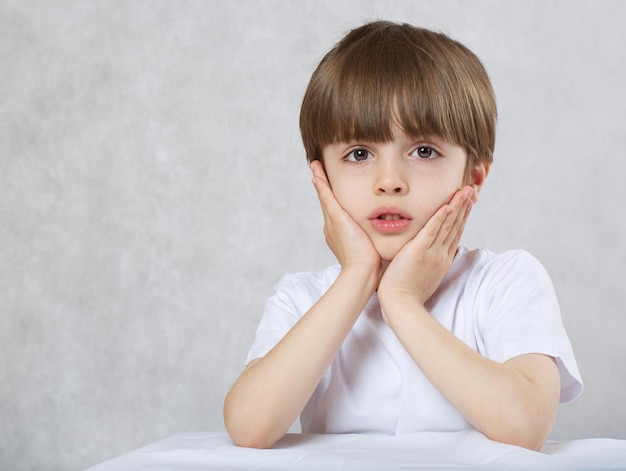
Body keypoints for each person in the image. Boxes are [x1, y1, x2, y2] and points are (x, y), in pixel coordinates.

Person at [223, 21, 583, 451]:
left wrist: (402, 301)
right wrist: (357, 276)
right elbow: (249, 427)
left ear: (474, 177)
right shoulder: (301, 298)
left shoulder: (505, 281)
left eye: (424, 151)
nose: (389, 181)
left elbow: (525, 424)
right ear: (322, 178)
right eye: (359, 154)